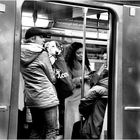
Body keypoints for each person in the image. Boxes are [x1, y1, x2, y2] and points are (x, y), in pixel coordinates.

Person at [20, 27, 59, 139]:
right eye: (41, 37)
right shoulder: (41, 53)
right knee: (51, 131)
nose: (43, 40)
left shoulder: (19, 53)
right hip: (47, 98)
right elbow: (52, 78)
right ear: (33, 39)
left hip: (32, 98)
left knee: (36, 129)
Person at [64, 42, 91, 139]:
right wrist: (81, 79)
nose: (81, 55)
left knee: (82, 124)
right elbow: (67, 83)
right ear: (72, 53)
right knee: (73, 122)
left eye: (83, 52)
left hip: (84, 98)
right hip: (73, 98)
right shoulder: (68, 65)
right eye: (78, 53)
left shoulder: (84, 64)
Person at [77, 64, 109, 139]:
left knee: (77, 127)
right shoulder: (112, 88)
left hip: (93, 127)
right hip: (102, 124)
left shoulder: (96, 89)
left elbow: (83, 107)